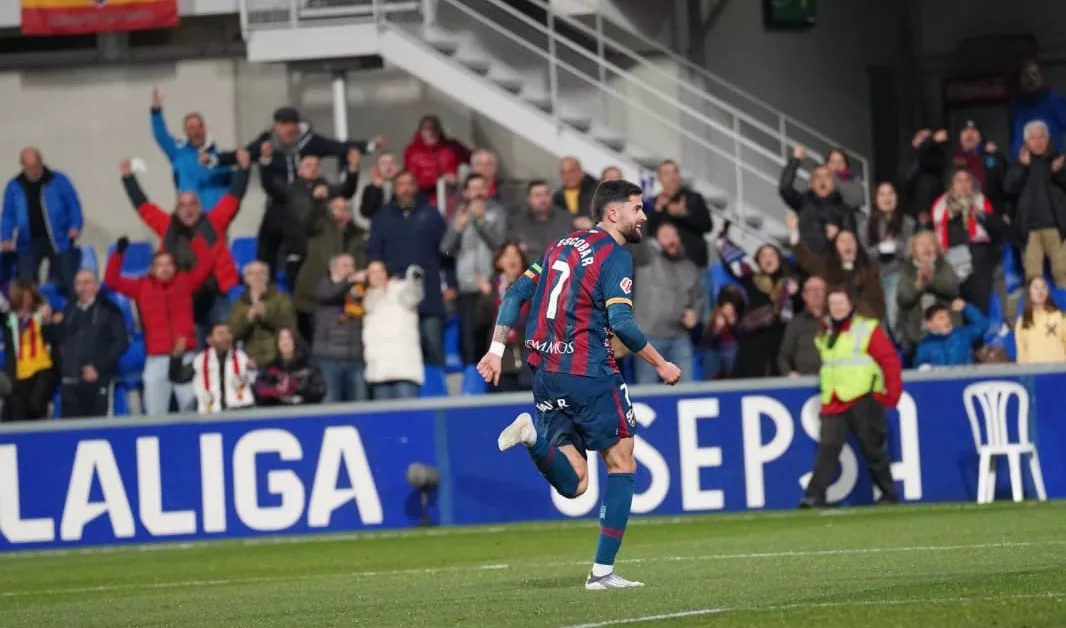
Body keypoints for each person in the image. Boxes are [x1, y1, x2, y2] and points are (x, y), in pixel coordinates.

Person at [480, 179, 682, 589]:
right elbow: (621, 322)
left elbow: (515, 293)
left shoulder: (561, 246)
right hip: (588, 372)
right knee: (622, 462)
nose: (643, 216)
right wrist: (661, 363)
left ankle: (532, 437)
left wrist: (496, 351)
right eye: (637, 208)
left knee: (576, 482)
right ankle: (602, 572)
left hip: (545, 376)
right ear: (613, 212)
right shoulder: (615, 256)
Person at [217, 107, 380, 282]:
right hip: (282, 206)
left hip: (311, 223)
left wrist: (361, 156)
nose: (288, 130)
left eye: (316, 166)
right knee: (273, 235)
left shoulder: (316, 163)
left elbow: (338, 151)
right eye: (283, 125)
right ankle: (268, 283)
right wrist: (262, 161)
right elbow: (250, 161)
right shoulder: (270, 147)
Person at [120, 151, 251, 338]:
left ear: (200, 207)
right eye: (183, 205)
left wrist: (244, 169)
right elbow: (144, 208)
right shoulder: (167, 226)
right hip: (182, 299)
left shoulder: (214, 222)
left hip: (216, 295)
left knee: (226, 337)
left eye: (192, 205)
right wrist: (129, 179)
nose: (188, 210)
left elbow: (234, 198)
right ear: (177, 209)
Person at [800, 286, 901, 509]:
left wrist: (892, 394)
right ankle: (814, 496)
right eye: (833, 303)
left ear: (851, 304)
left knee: (873, 450)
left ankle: (888, 493)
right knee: (828, 447)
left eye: (841, 303)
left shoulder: (866, 328)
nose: (837, 308)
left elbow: (889, 361)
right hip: (834, 400)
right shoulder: (825, 332)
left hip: (863, 397)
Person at [105, 237, 216, 416]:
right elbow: (111, 281)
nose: (165, 268)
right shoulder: (141, 286)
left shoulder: (185, 282)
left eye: (168, 264)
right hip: (156, 360)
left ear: (175, 267)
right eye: (160, 265)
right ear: (152, 269)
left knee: (191, 411)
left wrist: (197, 240)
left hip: (185, 357)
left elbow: (206, 265)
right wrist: (118, 253)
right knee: (155, 414)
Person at [261, 149, 362, 341]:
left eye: (317, 165)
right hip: (297, 254)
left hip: (323, 254)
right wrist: (265, 162)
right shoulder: (292, 190)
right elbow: (272, 187)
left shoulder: (327, 188)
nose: (313, 169)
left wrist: (353, 169)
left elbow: (346, 190)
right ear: (299, 169)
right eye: (308, 165)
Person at [367, 170, 450, 369]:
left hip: (429, 295)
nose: (405, 189)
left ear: (416, 187)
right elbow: (374, 254)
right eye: (400, 185)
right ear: (394, 189)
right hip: (394, 298)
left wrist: (451, 283)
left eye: (409, 184)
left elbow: (447, 253)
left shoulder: (432, 216)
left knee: (433, 346)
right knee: (401, 352)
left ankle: (439, 386)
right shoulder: (382, 218)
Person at [440, 173, 507, 365]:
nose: (478, 192)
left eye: (481, 187)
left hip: (490, 286)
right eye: (473, 188)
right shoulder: (459, 213)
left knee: (490, 340)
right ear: (466, 192)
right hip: (466, 287)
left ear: (487, 190)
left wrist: (480, 222)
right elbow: (445, 250)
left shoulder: (497, 212)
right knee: (468, 342)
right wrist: (457, 229)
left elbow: (500, 245)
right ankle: (472, 380)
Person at [2, 147, 83, 297]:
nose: (34, 170)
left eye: (36, 165)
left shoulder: (58, 181)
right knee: (26, 285)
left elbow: (73, 205)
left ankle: (73, 309)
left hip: (58, 239)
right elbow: (8, 215)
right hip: (28, 242)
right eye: (29, 167)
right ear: (23, 166)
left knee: (69, 280)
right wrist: (6, 237)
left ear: (41, 161)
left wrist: (75, 225)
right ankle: (32, 311)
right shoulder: (14, 187)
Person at [631, 222, 702, 383]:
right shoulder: (647, 258)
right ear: (655, 241)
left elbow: (698, 300)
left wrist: (695, 314)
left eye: (674, 235)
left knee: (686, 387)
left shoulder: (689, 267)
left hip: (680, 337)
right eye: (665, 236)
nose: (671, 240)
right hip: (648, 337)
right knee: (647, 388)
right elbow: (638, 239)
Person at [56, 270, 129, 418]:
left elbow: (121, 343)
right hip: (70, 383)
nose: (82, 287)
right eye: (78, 283)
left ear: (96, 286)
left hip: (97, 381)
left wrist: (99, 368)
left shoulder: (109, 310)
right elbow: (57, 341)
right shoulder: (69, 312)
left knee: (98, 426)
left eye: (87, 283)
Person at [930, 168, 1004, 313]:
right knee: (960, 307)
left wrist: (981, 215)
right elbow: (937, 235)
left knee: (980, 307)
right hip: (952, 260)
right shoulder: (941, 206)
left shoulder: (981, 202)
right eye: (959, 181)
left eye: (967, 180)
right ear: (952, 186)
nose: (963, 185)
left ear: (972, 184)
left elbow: (997, 230)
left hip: (979, 259)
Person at [1003, 119, 1066, 286]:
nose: (1038, 142)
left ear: (1048, 139)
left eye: (1041, 137)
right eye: (1033, 138)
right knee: (1033, 277)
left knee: (1063, 273)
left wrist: (1059, 172)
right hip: (1029, 230)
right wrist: (1021, 167)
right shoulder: (1018, 163)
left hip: (1057, 227)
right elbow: (1009, 188)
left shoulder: (1059, 160)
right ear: (1026, 142)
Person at [149, 87, 231, 211]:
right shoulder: (178, 152)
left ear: (204, 128)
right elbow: (161, 136)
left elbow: (232, 187)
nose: (196, 132)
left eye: (199, 127)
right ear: (185, 131)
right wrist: (156, 111)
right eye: (191, 128)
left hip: (215, 217)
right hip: (189, 215)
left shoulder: (219, 157)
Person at [363, 261, 425, 399]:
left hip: (404, 370)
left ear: (386, 273)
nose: (376, 275)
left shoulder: (400, 291)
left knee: (407, 412)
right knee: (383, 413)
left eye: (380, 271)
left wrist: (414, 274)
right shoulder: (366, 300)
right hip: (378, 371)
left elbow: (414, 293)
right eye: (372, 272)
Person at [0, 280, 60, 421]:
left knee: (35, 405)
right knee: (16, 411)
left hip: (41, 370)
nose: (26, 301)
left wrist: (50, 319)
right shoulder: (9, 319)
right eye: (23, 297)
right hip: (19, 373)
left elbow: (55, 333)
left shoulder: (42, 314)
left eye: (29, 297)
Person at [896, 231, 961, 357]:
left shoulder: (944, 265)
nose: (926, 248)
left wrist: (931, 280)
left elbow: (953, 290)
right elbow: (903, 299)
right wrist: (918, 285)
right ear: (913, 250)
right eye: (921, 245)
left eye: (930, 244)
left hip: (946, 329)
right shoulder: (907, 269)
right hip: (917, 331)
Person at [313, 253, 368, 403]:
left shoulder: (359, 289)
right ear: (333, 269)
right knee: (331, 402)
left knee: (360, 403)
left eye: (352, 265)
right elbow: (330, 295)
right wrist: (349, 281)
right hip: (329, 358)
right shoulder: (324, 285)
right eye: (345, 266)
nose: (350, 269)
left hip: (355, 358)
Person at [779, 146, 855, 254]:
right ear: (811, 183)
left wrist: (837, 236)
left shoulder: (844, 210)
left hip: (831, 261)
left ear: (833, 183)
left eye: (827, 177)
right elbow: (785, 188)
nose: (822, 180)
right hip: (804, 260)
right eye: (817, 177)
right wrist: (795, 160)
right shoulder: (802, 202)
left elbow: (852, 245)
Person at [861, 182, 915, 333]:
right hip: (873, 278)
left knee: (894, 318)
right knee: (879, 324)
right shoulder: (865, 225)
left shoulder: (908, 222)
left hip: (897, 274)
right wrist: (880, 248)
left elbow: (911, 251)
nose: (887, 198)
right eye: (882, 194)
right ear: (875, 199)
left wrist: (895, 246)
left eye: (891, 193)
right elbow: (863, 255)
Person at [170, 323, 255, 414]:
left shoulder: (242, 358)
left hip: (240, 411)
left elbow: (257, 380)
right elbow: (178, 377)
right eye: (221, 334)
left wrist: (254, 368)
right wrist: (177, 355)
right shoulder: (200, 361)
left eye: (229, 333)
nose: (226, 337)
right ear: (209, 340)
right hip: (210, 414)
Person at [645, 160, 713, 269]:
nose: (672, 177)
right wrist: (657, 211)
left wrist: (685, 215)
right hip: (663, 268)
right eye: (667, 173)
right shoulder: (652, 203)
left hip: (694, 265)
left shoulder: (693, 198)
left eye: (675, 172)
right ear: (659, 178)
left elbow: (708, 226)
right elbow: (645, 234)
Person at [228, 260, 296, 368]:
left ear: (267, 277)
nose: (257, 277)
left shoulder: (281, 299)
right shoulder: (239, 304)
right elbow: (232, 334)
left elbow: (289, 325)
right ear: (246, 279)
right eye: (252, 274)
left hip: (277, 359)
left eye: (262, 273)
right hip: (250, 360)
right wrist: (248, 318)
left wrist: (266, 315)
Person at [403, 114, 470, 208]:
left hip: (453, 199)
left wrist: (464, 178)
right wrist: (440, 179)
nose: (431, 132)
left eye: (434, 128)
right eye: (427, 128)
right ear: (420, 131)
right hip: (426, 202)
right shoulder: (412, 152)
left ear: (440, 130)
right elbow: (411, 181)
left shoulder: (453, 146)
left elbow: (474, 158)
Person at [491, 243, 532, 393]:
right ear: (498, 262)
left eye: (516, 255)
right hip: (501, 363)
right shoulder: (491, 289)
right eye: (507, 255)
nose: (512, 259)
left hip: (528, 361)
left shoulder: (533, 287)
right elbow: (481, 322)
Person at [253, 328, 326, 406]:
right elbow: (260, 394)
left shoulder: (308, 364)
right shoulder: (270, 368)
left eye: (288, 338)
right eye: (282, 339)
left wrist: (296, 387)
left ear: (295, 341)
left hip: (303, 408)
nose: (285, 342)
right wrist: (275, 391)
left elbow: (319, 390)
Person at [1011, 59, 1066, 156]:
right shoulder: (1016, 104)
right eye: (1026, 75)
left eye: (1034, 74)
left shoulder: (1054, 99)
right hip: (1026, 160)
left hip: (1052, 159)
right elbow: (1015, 136)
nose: (1030, 79)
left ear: (1041, 78)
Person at [507, 180, 573, 259]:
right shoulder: (516, 223)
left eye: (546, 194)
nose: (543, 199)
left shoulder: (566, 218)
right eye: (537, 195)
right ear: (528, 199)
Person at [914, 299, 988, 368]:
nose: (947, 320)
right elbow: (919, 366)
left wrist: (966, 307)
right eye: (941, 318)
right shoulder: (925, 345)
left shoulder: (962, 334)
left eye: (947, 316)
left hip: (964, 376)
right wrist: (924, 368)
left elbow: (983, 324)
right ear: (930, 324)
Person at [778, 275, 826, 377]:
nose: (816, 293)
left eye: (820, 289)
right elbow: (783, 356)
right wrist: (789, 373)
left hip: (834, 379)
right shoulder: (796, 323)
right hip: (805, 380)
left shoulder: (835, 319)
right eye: (812, 290)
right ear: (804, 295)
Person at [1015, 277, 1066, 363]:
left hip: (1059, 369)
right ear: (1028, 292)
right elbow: (1021, 353)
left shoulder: (1060, 316)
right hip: (1033, 369)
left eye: (1043, 287)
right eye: (1036, 287)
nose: (1040, 291)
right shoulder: (1022, 321)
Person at [552, 156, 599, 229]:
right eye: (563, 173)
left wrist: (593, 224)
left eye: (571, 171)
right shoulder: (557, 198)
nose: (567, 176)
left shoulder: (597, 190)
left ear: (581, 171)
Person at [359, 151, 401, 220]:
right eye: (384, 163)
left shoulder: (406, 185)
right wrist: (375, 187)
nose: (388, 166)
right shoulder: (370, 189)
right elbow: (366, 212)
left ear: (397, 166)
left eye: (391, 162)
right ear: (377, 168)